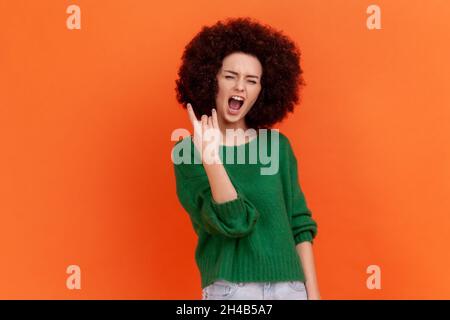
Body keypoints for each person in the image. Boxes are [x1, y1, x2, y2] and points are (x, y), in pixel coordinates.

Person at [172, 17, 320, 300]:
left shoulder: (277, 146)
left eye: (251, 81)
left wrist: (313, 296)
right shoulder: (187, 153)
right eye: (230, 76)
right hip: (232, 290)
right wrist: (211, 157)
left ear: (261, 91)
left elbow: (299, 226)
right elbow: (235, 222)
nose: (240, 87)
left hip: (291, 288)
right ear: (211, 79)